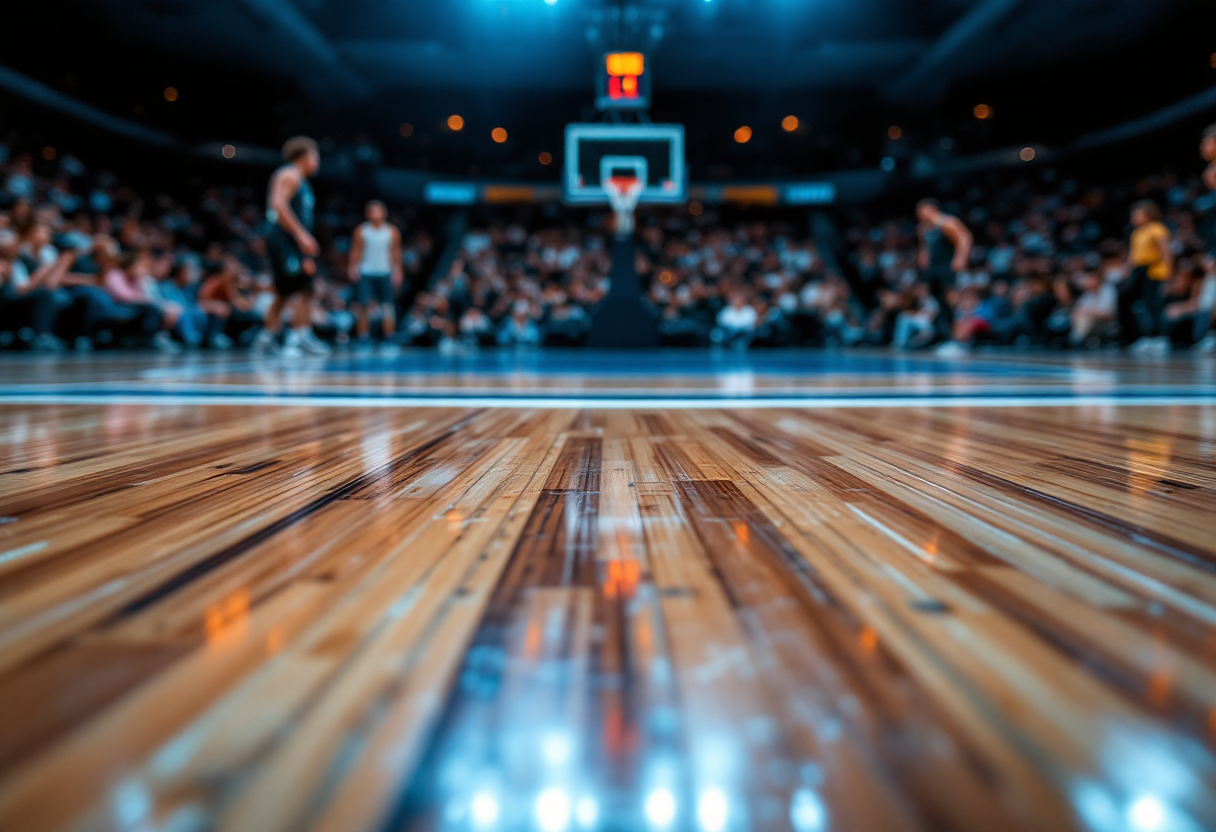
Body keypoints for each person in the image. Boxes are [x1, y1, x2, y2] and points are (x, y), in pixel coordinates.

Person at [252, 136, 330, 357]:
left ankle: (274, 338)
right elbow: (278, 206)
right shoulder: (288, 175)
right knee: (298, 288)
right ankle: (295, 338)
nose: (317, 161)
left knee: (293, 289)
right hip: (284, 239)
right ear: (303, 156)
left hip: (293, 242)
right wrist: (302, 235)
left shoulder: (302, 182)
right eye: (315, 156)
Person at [915, 198, 973, 354]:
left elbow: (965, 238)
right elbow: (924, 246)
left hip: (948, 267)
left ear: (930, 209)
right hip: (933, 269)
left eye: (921, 211)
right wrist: (923, 256)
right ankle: (944, 337)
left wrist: (960, 258)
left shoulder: (947, 223)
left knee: (951, 300)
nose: (919, 215)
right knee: (938, 301)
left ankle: (959, 340)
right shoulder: (922, 228)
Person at [348, 200, 403, 354]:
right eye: (372, 211)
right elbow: (356, 250)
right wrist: (352, 267)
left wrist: (398, 270)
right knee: (363, 305)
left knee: (387, 306)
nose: (375, 214)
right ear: (367, 214)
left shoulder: (391, 231)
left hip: (385, 271)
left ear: (384, 213)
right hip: (366, 272)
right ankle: (363, 338)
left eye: (377, 211)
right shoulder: (362, 230)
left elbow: (395, 252)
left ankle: (389, 337)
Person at [1117, 200, 1172, 353]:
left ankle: (1161, 337)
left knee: (1154, 304)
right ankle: (1142, 336)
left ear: (1149, 214)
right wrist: (1127, 268)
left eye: (1138, 213)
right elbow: (1133, 255)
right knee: (1134, 303)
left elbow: (1166, 253)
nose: (1134, 216)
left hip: (1154, 270)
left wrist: (1168, 276)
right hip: (1139, 271)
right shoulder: (1137, 232)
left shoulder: (1157, 229)